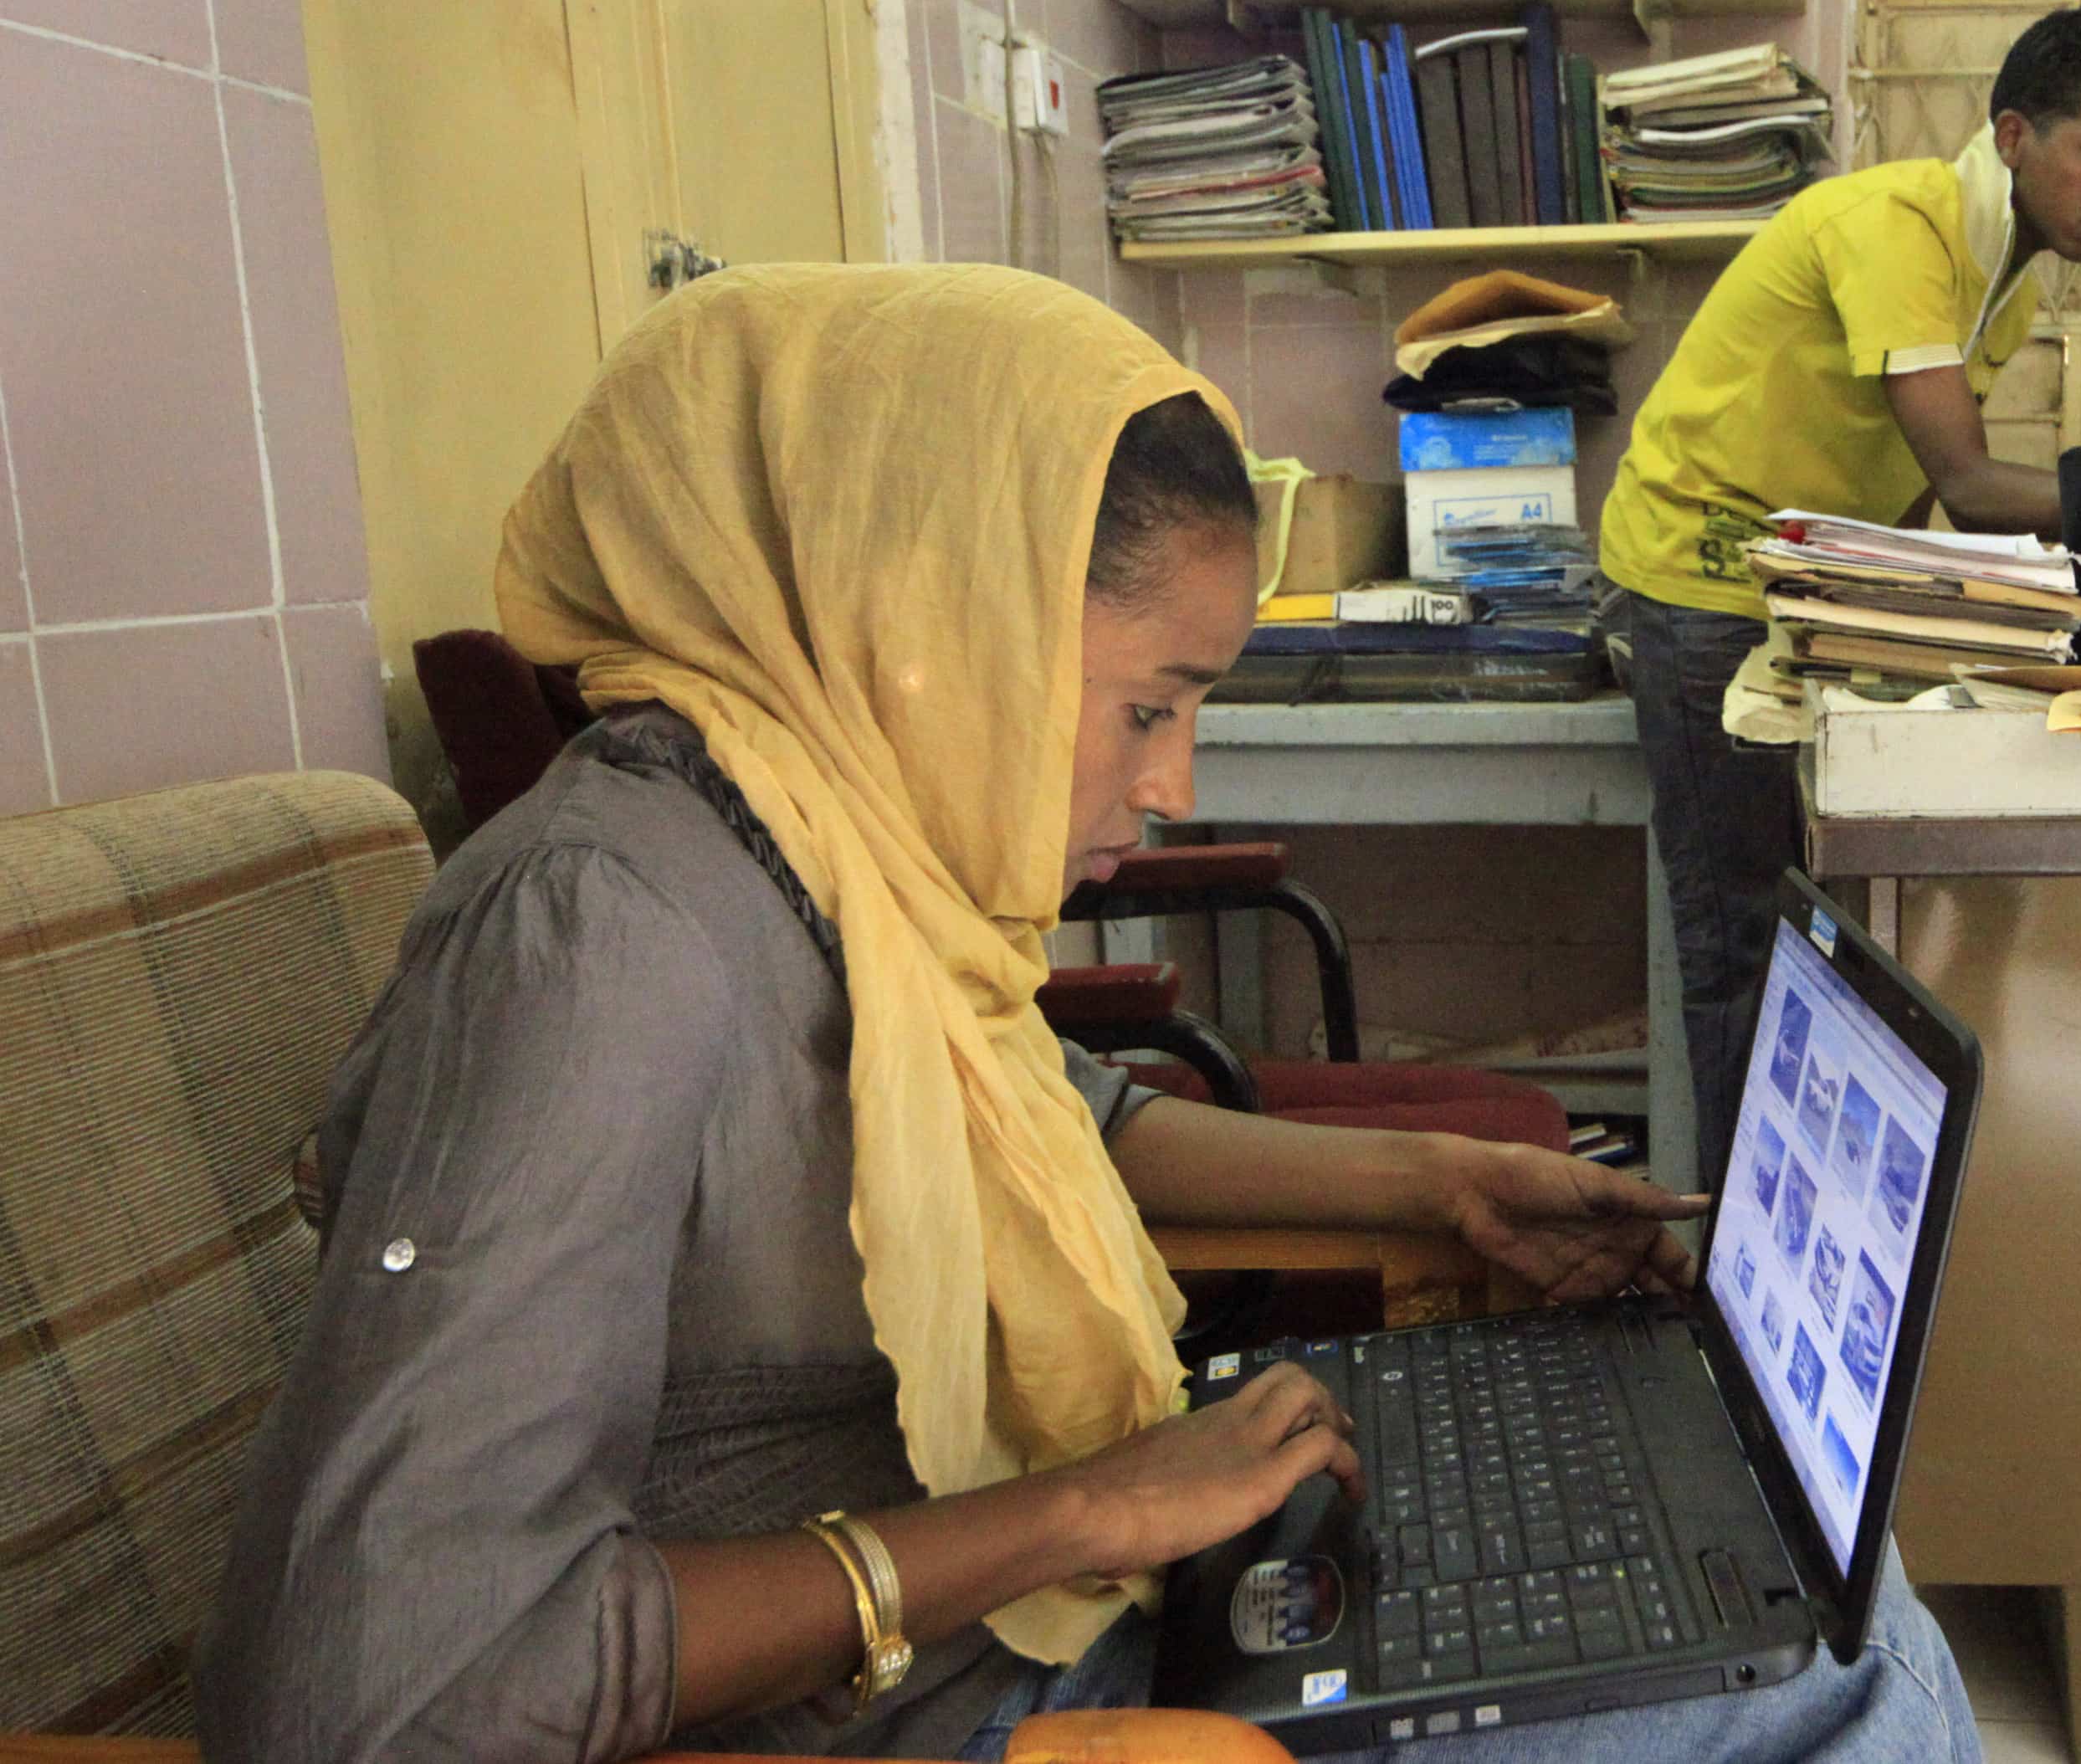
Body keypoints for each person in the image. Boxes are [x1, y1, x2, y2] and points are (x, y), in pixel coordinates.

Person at [195, 264, 1976, 1764]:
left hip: (1038, 1602)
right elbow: (388, 1684)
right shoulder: (601, 936)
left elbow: (1067, 1112)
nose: (1175, 779)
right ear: (925, 622)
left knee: (1787, 1572)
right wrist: (1084, 1511)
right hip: (948, 1702)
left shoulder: (826, 833)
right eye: (1148, 705)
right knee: (1836, 1673)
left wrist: (1437, 1182)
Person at [1597, 6, 2081, 1186]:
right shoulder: (1902, 229)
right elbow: (1965, 479)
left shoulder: (2002, 270)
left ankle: (1819, 1210)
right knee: (1742, 941)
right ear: (2014, 135)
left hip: (1806, 587)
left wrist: (1906, 624)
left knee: (1822, 928)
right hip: (1700, 579)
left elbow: (1915, 490)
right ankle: (1727, 1246)